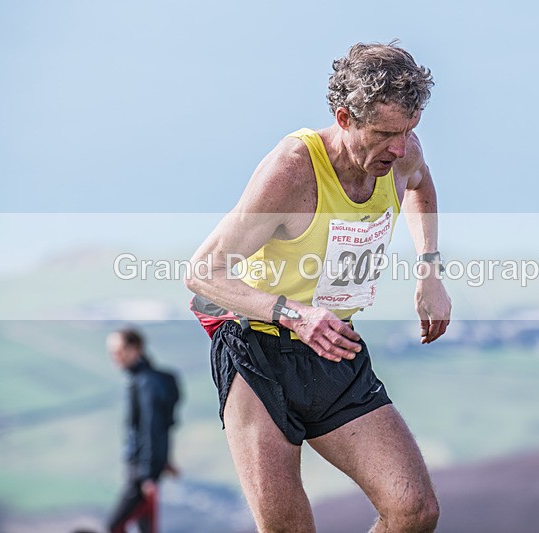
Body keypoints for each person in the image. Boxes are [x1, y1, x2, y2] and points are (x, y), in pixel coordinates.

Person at [186, 41, 451, 532]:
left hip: (334, 346)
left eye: (409, 131)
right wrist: (295, 314)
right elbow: (202, 273)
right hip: (256, 348)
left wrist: (428, 271)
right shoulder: (291, 170)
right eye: (385, 133)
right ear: (345, 116)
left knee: (414, 511)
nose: (399, 149)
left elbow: (422, 184)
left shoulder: (403, 154)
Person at [106, 328, 180, 533]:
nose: (115, 357)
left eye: (118, 351)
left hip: (141, 472)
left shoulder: (146, 383)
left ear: (135, 349)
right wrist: (164, 460)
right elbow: (163, 426)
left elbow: (152, 427)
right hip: (146, 469)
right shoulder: (147, 380)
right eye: (112, 352)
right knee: (145, 528)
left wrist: (148, 475)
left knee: (115, 525)